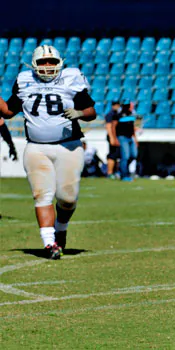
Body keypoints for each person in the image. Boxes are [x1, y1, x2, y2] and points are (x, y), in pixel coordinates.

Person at [0, 45, 96, 259]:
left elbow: (91, 112)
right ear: (34, 64)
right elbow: (7, 111)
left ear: (59, 62)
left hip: (68, 146)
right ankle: (49, 243)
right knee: (42, 194)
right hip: (36, 147)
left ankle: (60, 228)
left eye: (51, 61)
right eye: (43, 62)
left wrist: (79, 112)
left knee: (67, 198)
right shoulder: (24, 80)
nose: (47, 66)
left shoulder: (71, 79)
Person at [112, 101, 138, 182]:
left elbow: (132, 127)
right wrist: (114, 138)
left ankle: (121, 170)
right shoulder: (118, 115)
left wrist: (135, 139)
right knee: (125, 156)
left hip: (130, 137)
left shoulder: (131, 114)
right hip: (122, 138)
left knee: (134, 155)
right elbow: (113, 127)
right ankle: (124, 175)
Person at [104, 101, 121, 179]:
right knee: (112, 154)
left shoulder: (116, 114)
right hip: (112, 137)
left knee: (116, 155)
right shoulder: (110, 114)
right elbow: (108, 127)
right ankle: (109, 173)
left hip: (116, 136)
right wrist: (112, 138)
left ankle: (114, 172)